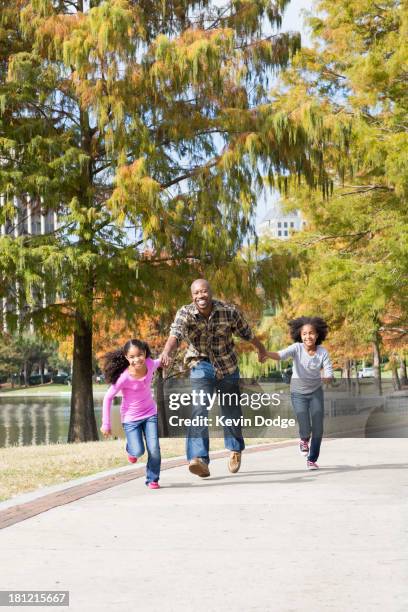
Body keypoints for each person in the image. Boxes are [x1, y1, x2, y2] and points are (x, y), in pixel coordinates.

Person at [160, 279, 267, 478]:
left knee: (231, 411)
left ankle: (235, 449)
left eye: (204, 291)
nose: (200, 296)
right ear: (192, 296)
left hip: (227, 366)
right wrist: (166, 351)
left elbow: (247, 333)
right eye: (196, 293)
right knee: (199, 408)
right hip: (201, 365)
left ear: (211, 292)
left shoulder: (228, 311)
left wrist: (261, 348)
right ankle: (199, 459)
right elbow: (175, 334)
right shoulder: (185, 313)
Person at [263, 317, 333, 470]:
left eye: (312, 333)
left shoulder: (322, 352)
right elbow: (280, 355)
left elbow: (328, 369)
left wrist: (328, 377)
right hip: (298, 393)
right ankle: (303, 439)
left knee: (319, 427)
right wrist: (265, 353)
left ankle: (312, 460)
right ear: (300, 336)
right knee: (304, 423)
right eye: (304, 334)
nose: (308, 337)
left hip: (315, 392)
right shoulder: (297, 348)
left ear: (318, 334)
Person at [100, 339, 162, 489]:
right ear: (126, 358)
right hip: (131, 419)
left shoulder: (149, 364)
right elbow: (108, 397)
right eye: (132, 357)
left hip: (150, 414)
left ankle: (152, 479)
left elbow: (159, 362)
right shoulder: (124, 377)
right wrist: (106, 424)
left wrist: (165, 358)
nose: (136, 359)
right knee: (138, 450)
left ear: (145, 353)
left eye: (140, 355)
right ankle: (131, 450)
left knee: (154, 448)